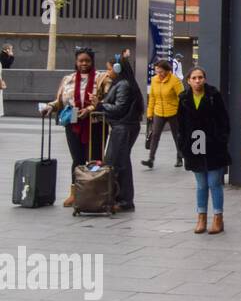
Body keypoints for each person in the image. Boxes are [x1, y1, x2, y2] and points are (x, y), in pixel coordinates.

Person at [43, 47, 104, 207]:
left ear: (92, 62)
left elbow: (105, 101)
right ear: (76, 62)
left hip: (95, 125)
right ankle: (75, 193)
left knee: (94, 159)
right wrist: (50, 106)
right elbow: (60, 102)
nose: (84, 63)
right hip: (73, 124)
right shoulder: (68, 79)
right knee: (77, 159)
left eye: (87, 61)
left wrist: (90, 109)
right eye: (81, 61)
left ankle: (94, 192)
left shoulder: (101, 78)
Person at [177, 66, 231, 235]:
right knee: (201, 184)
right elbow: (181, 125)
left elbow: (224, 121)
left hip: (214, 145)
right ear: (188, 81)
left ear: (205, 79)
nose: (198, 80)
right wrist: (184, 147)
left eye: (200, 77)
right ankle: (201, 217)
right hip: (194, 145)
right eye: (194, 78)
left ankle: (218, 218)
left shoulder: (214, 96)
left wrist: (221, 140)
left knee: (214, 182)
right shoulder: (184, 98)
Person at [99, 52, 144, 212]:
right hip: (124, 126)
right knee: (118, 161)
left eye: (109, 69)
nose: (108, 72)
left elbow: (119, 109)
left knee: (119, 163)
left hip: (123, 127)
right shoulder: (122, 83)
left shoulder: (123, 84)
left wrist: (100, 105)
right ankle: (120, 198)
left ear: (117, 69)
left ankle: (124, 200)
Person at [142, 58, 184, 169]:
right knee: (155, 135)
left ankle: (179, 157)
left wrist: (182, 112)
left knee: (177, 136)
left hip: (173, 112)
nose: (158, 74)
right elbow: (152, 98)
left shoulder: (174, 81)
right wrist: (149, 113)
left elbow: (182, 97)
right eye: (156, 71)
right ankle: (151, 159)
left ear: (167, 70)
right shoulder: (154, 80)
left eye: (160, 71)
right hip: (158, 112)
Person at [0, 43, 13, 117]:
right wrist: (11, 56)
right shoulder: (3, 55)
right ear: (7, 49)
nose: (11, 50)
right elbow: (6, 65)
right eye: (10, 49)